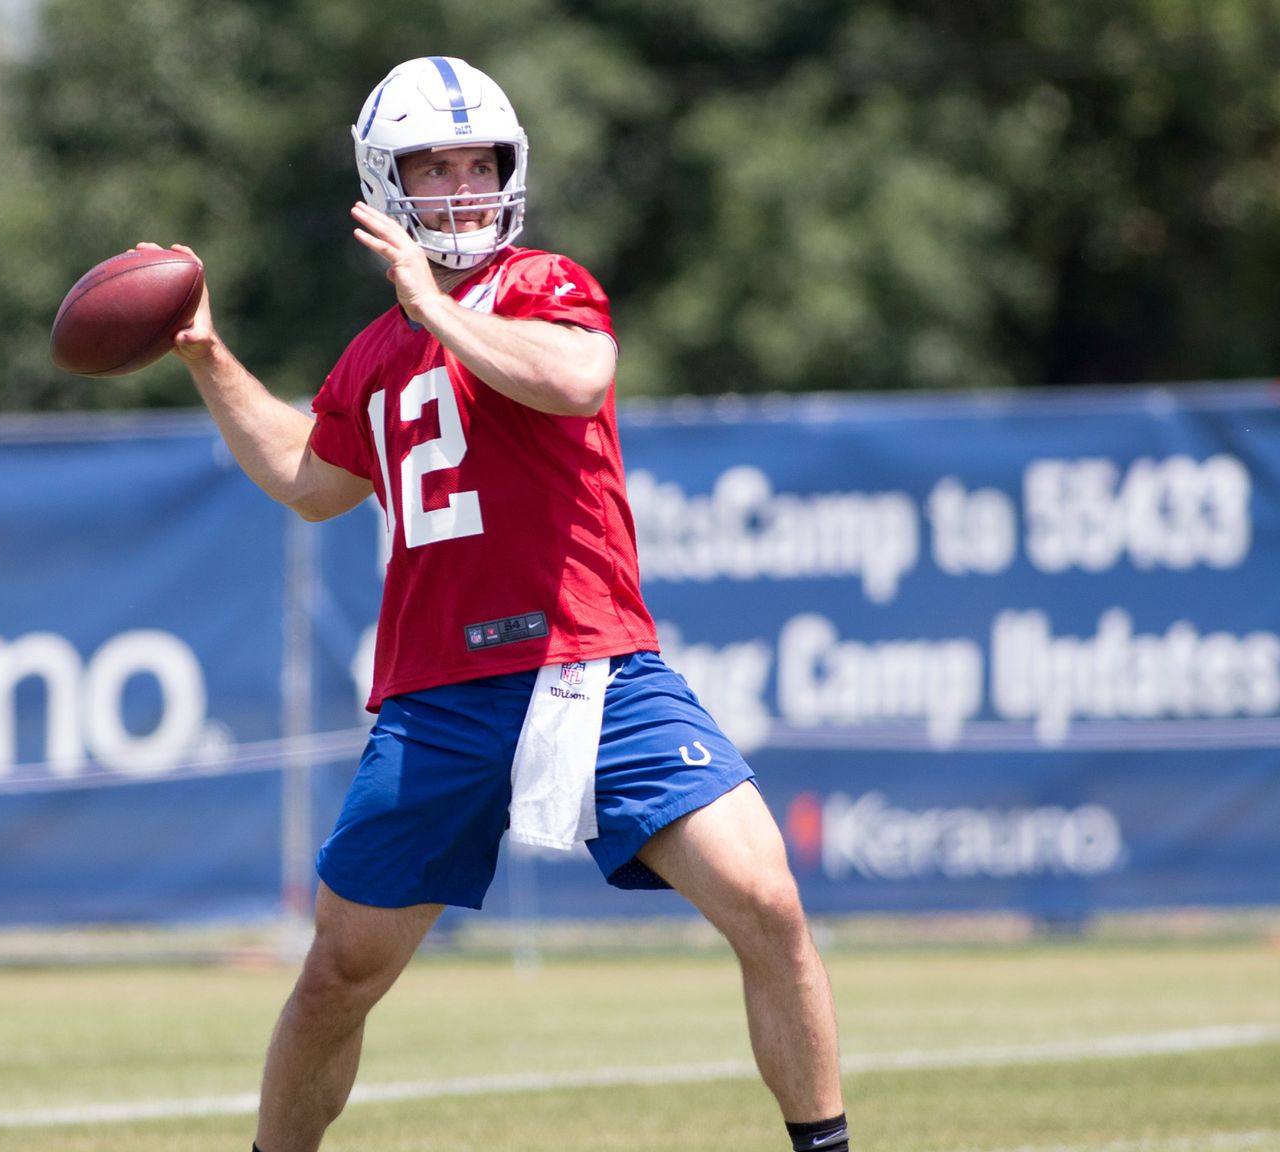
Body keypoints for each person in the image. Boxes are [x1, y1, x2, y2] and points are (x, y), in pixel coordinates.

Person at [153, 56, 849, 1152]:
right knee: (336, 973)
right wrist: (205, 353)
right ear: (389, 186)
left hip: (591, 666)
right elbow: (306, 479)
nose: (463, 186)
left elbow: (574, 379)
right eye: (435, 168)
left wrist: (435, 308)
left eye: (479, 162)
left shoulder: (543, 285)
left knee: (765, 900)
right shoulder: (374, 355)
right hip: (437, 697)